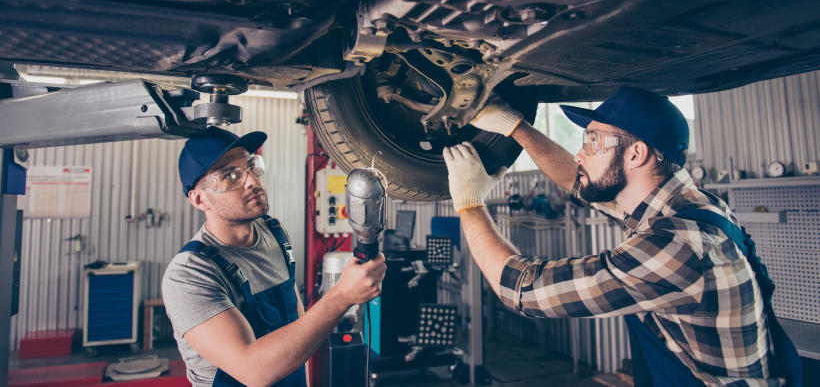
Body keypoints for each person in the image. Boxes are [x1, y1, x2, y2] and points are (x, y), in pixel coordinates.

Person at [443, 87, 801, 386]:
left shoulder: (677, 244)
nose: (581, 153)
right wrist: (515, 126)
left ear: (635, 153)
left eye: (593, 141)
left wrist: (469, 202)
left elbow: (521, 290)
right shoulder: (689, 205)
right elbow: (576, 180)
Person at [162, 127, 386, 387]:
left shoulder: (273, 231)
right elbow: (253, 371)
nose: (252, 181)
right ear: (200, 200)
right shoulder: (190, 274)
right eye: (231, 175)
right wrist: (342, 296)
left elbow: (296, 317)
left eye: (251, 166)